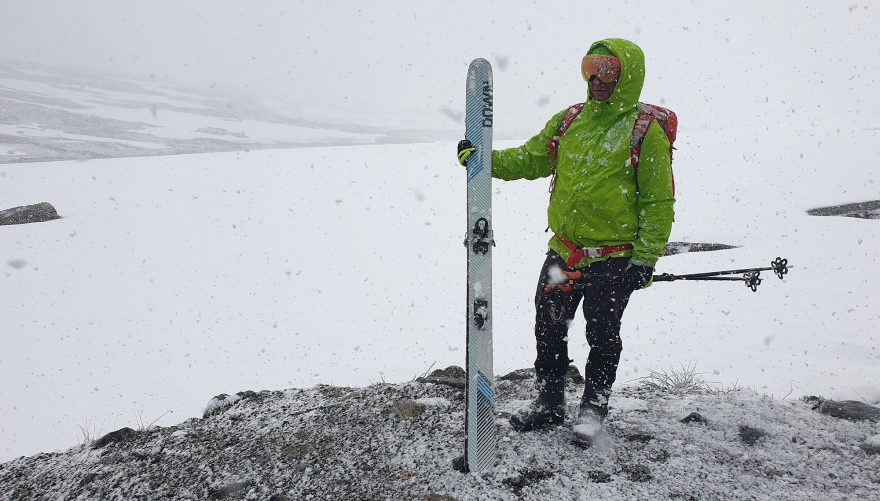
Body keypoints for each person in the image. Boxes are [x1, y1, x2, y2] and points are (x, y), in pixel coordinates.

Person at [457, 38, 674, 447]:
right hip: (564, 252)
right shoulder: (569, 120)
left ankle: (592, 412)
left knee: (603, 335)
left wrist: (645, 258)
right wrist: (483, 159)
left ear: (627, 76)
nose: (597, 78)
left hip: (613, 259)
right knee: (549, 327)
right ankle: (550, 402)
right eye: (591, 67)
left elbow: (658, 201)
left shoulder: (646, 133)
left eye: (608, 69)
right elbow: (532, 158)